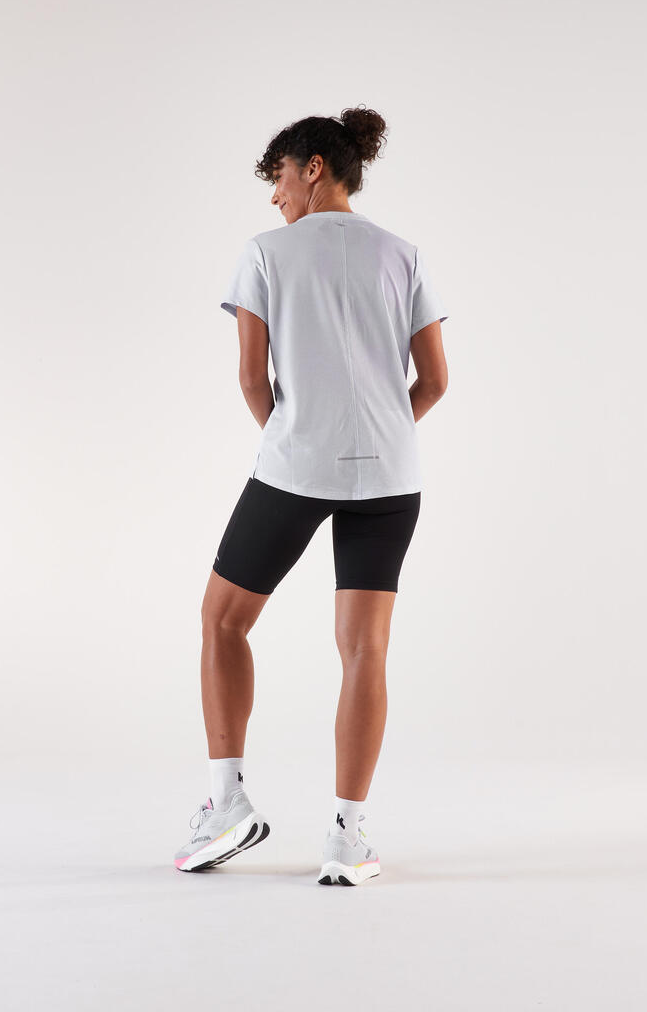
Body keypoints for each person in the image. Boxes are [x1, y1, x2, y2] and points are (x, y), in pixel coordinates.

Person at [173, 106, 449, 885]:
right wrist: (378, 432)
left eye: (280, 178)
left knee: (223, 619)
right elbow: (434, 381)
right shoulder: (404, 254)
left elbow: (250, 377)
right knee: (365, 649)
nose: (276, 196)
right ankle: (347, 837)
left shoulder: (265, 252)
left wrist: (297, 436)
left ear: (314, 167)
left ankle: (228, 803)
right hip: (391, 476)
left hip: (295, 467)